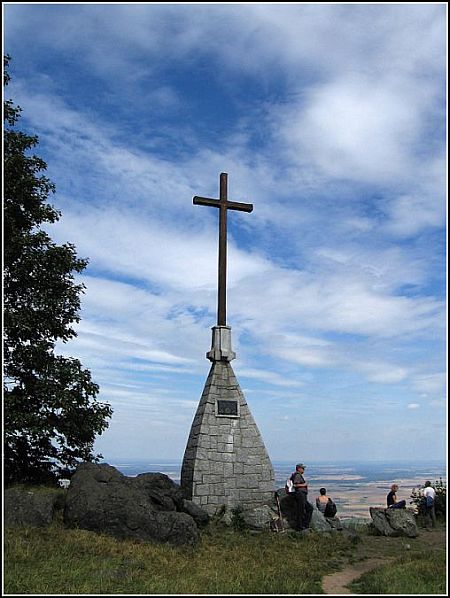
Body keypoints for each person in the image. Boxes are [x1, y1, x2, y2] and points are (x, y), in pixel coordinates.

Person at [290, 463, 313, 531]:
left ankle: (304, 525)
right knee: (301, 511)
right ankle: (300, 526)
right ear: (299, 468)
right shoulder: (297, 475)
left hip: (301, 495)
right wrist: (304, 484)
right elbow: (295, 485)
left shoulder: (297, 475)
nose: (304, 470)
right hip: (300, 495)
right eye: (303, 468)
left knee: (309, 508)